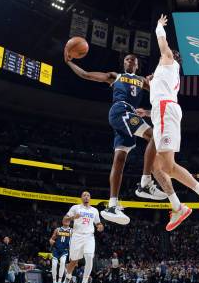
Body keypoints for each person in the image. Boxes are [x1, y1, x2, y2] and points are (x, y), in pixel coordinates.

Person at [138, 14, 199, 231]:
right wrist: (149, 111)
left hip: (166, 111)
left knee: (167, 166)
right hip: (162, 112)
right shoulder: (163, 75)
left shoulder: (168, 60)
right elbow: (158, 93)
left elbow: (162, 43)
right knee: (157, 168)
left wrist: (158, 26)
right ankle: (177, 206)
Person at [65, 52, 167, 225]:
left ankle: (112, 205)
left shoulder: (143, 80)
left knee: (119, 160)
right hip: (121, 111)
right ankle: (145, 183)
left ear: (137, 65)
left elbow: (162, 96)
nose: (129, 61)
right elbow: (86, 74)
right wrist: (69, 62)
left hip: (128, 116)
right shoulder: (116, 76)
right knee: (155, 136)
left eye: (133, 60)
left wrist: (155, 84)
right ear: (124, 63)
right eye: (127, 59)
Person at [62, 191, 104, 283]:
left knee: (89, 258)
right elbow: (64, 221)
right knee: (74, 260)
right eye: (84, 195)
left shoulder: (95, 210)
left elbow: (98, 223)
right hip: (77, 236)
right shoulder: (75, 208)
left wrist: (100, 227)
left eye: (88, 195)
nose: (86, 197)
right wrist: (73, 217)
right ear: (81, 198)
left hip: (89, 237)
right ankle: (67, 278)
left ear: (90, 198)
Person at [49, 218, 72, 283]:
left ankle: (59, 282)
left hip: (64, 250)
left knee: (62, 263)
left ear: (70, 222)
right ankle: (54, 282)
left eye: (68, 220)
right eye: (65, 220)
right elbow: (52, 238)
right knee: (54, 265)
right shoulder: (57, 229)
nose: (67, 221)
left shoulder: (71, 231)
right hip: (56, 249)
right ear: (62, 221)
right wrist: (51, 241)